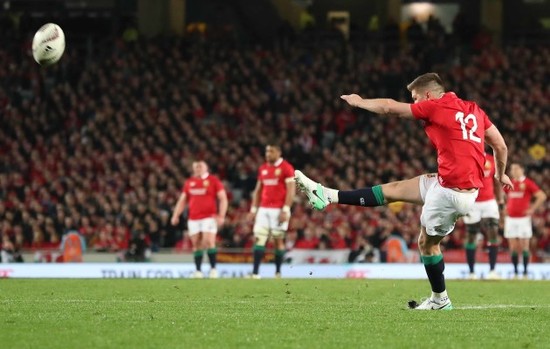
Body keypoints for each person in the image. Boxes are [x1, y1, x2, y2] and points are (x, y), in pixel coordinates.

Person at [294, 73, 512, 310]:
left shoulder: (436, 106)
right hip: (450, 185)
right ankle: (327, 195)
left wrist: (360, 102)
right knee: (394, 190)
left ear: (428, 95)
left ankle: (440, 300)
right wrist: (500, 174)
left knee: (427, 244)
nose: (415, 102)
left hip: (452, 193)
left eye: (415, 97)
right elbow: (500, 145)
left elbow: (389, 108)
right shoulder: (474, 110)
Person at [171, 161, 228, 278]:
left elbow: (223, 198)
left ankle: (213, 269)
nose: (198, 168)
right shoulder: (189, 182)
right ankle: (198, 271)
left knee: (208, 241)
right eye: (196, 167)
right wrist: (176, 215)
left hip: (209, 217)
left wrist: (221, 215)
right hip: (193, 218)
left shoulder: (213, 181)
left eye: (200, 166)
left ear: (206, 168)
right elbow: (182, 200)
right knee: (196, 244)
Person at [248, 143, 295, 278]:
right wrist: (253, 209)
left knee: (277, 240)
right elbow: (258, 190)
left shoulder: (286, 168)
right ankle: (256, 273)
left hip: (279, 210)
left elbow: (291, 190)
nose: (268, 154)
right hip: (263, 209)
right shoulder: (263, 168)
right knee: (259, 239)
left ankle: (278, 272)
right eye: (267, 151)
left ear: (279, 152)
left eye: (271, 151)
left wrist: (286, 209)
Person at [462, 152, 504, 279]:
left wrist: (500, 200)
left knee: (493, 232)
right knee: (471, 235)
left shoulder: (491, 160)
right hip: (472, 202)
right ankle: (471, 272)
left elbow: (497, 182)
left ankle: (492, 271)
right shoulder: (467, 159)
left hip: (489, 201)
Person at [503, 163, 547, 279]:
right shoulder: (509, 183)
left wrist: (532, 209)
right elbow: (504, 196)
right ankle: (516, 272)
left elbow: (542, 196)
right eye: (512, 169)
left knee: (524, 246)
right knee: (513, 246)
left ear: (522, 169)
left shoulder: (528, 183)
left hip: (523, 219)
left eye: (516, 168)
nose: (514, 171)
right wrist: (504, 208)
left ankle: (526, 272)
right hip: (510, 218)